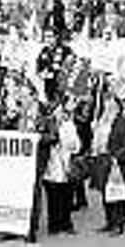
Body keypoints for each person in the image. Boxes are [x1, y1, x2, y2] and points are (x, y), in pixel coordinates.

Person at [91, 93, 125, 236]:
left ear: (118, 107)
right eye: (107, 104)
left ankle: (119, 222)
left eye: (112, 105)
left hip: (115, 161)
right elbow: (97, 140)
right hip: (102, 159)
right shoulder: (101, 121)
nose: (109, 107)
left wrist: (117, 157)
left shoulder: (123, 120)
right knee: (105, 192)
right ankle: (109, 221)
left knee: (117, 192)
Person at [42, 99, 81, 235]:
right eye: (56, 111)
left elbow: (77, 146)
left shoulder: (68, 125)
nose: (59, 114)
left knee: (66, 198)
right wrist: (51, 139)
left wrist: (65, 142)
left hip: (66, 167)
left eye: (60, 111)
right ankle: (54, 225)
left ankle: (66, 224)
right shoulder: (45, 126)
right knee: (53, 199)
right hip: (51, 169)